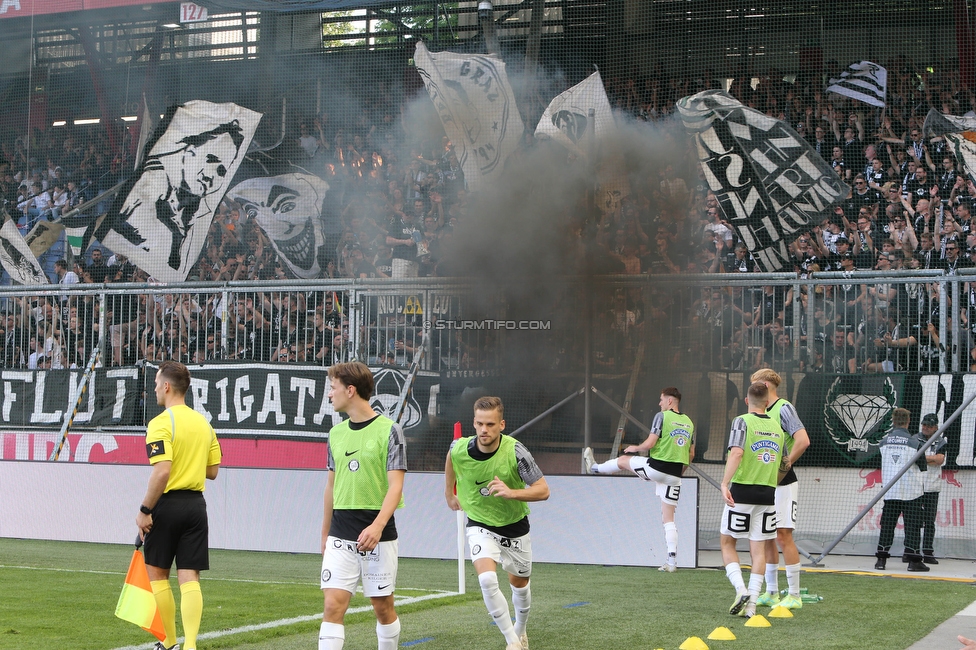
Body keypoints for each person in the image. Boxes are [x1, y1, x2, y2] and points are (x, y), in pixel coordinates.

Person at [445, 396, 550, 650]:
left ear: (501, 424)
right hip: (480, 524)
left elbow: (543, 490)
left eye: (490, 424)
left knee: (519, 585)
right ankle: (512, 642)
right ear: (474, 422)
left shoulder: (516, 452)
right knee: (487, 581)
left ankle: (521, 630)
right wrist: (449, 493)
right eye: (480, 423)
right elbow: (451, 458)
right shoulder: (460, 448)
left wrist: (512, 492)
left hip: (514, 526)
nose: (484, 430)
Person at [319, 361, 406, 650]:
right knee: (333, 605)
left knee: (382, 608)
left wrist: (377, 526)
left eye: (333, 388)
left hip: (377, 532)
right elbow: (331, 487)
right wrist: (325, 534)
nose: (330, 394)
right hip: (340, 532)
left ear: (351, 390)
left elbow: (396, 486)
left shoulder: (390, 431)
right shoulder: (335, 434)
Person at [136, 361, 222, 650]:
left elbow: (162, 471)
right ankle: (191, 645)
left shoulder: (161, 422)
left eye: (157, 383)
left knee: (158, 574)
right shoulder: (204, 423)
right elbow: (212, 471)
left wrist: (145, 510)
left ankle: (169, 642)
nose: (155, 388)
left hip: (167, 505)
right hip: (196, 507)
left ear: (168, 386)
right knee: (189, 577)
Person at [582, 387, 695, 572]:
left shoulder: (662, 416)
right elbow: (691, 453)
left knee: (623, 461)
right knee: (669, 519)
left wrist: (635, 447)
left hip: (657, 468)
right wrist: (680, 471)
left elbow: (650, 443)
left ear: (669, 401)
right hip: (675, 475)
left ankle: (594, 468)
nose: (659, 404)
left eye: (661, 400)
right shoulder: (689, 422)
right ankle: (672, 562)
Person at [720, 381, 785, 620]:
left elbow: (736, 452)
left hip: (743, 491)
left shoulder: (742, 421)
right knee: (758, 550)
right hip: (767, 495)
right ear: (767, 403)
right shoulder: (778, 428)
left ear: (747, 401)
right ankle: (752, 606)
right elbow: (785, 462)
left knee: (727, 543)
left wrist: (725, 483)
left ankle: (740, 590)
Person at [750, 369, 810, 610]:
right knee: (766, 537)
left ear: (765, 384)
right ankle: (772, 592)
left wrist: (784, 465)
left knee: (784, 535)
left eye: (754, 385)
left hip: (783, 482)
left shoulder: (783, 407)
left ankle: (794, 595)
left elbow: (803, 440)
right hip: (765, 482)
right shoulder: (761, 412)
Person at [874, 407, 929, 572]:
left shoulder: (883, 442)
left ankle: (881, 560)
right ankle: (913, 561)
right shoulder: (915, 443)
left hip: (890, 491)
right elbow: (923, 466)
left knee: (887, 525)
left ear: (893, 421)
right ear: (908, 421)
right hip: (911, 491)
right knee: (912, 526)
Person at [919, 413, 947, 564]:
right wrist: (931, 459)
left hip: (932, 487)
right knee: (913, 520)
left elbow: (940, 460)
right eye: (924, 425)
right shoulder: (915, 438)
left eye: (929, 426)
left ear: (936, 427)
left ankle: (928, 552)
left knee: (929, 521)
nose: (925, 428)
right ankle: (911, 550)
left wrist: (923, 458)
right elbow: (913, 459)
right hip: (916, 486)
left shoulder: (941, 441)